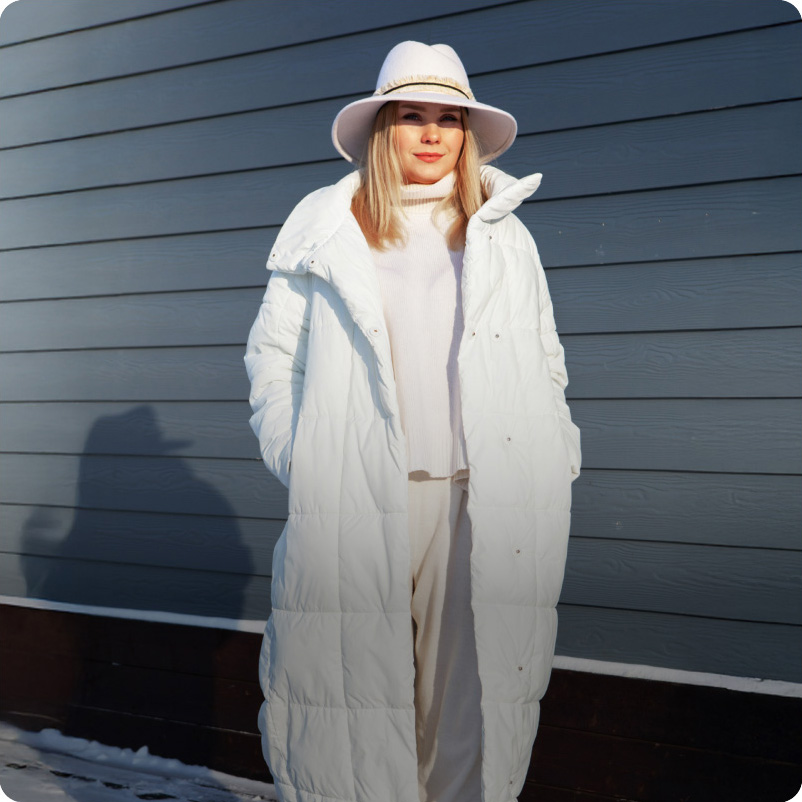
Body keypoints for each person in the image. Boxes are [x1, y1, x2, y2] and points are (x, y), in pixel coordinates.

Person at [244, 40, 581, 802]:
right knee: (352, 696)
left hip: (482, 496)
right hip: (361, 494)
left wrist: (556, 452)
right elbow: (274, 361)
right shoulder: (328, 231)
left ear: (466, 135)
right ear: (382, 130)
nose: (432, 134)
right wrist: (305, 458)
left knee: (472, 705)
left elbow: (546, 359)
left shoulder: (504, 237)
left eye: (448, 119)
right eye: (411, 116)